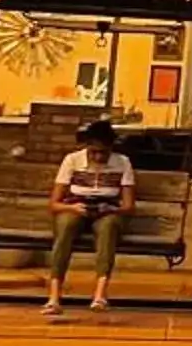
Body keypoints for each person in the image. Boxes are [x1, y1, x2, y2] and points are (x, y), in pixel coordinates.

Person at [45, 118, 137, 316]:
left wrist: (111, 209)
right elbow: (54, 203)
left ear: (111, 148)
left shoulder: (122, 163)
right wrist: (73, 208)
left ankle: (100, 294)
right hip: (76, 205)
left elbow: (129, 206)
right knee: (66, 227)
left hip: (107, 209)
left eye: (103, 152)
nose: (98, 156)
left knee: (108, 228)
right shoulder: (72, 160)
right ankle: (54, 296)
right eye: (93, 151)